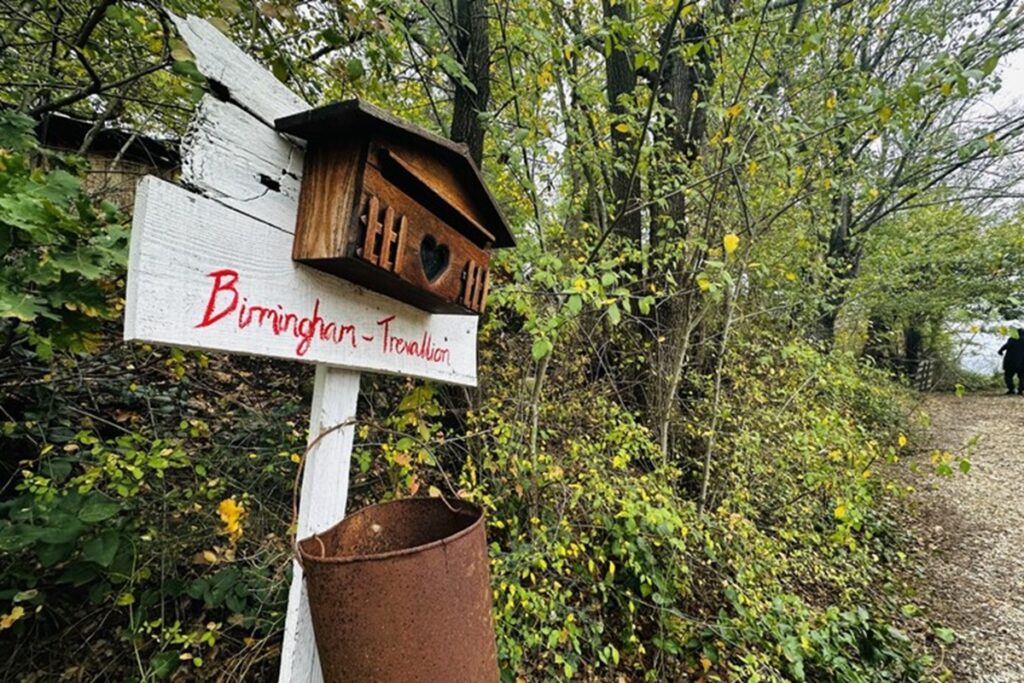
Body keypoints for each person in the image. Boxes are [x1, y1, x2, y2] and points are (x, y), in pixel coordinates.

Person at [997, 328, 1024, 395]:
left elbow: (1006, 346)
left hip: (1011, 362)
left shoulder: (1012, 339)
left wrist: (1000, 351)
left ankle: (1011, 389)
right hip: (1022, 363)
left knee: (1008, 376)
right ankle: (1020, 390)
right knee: (1022, 377)